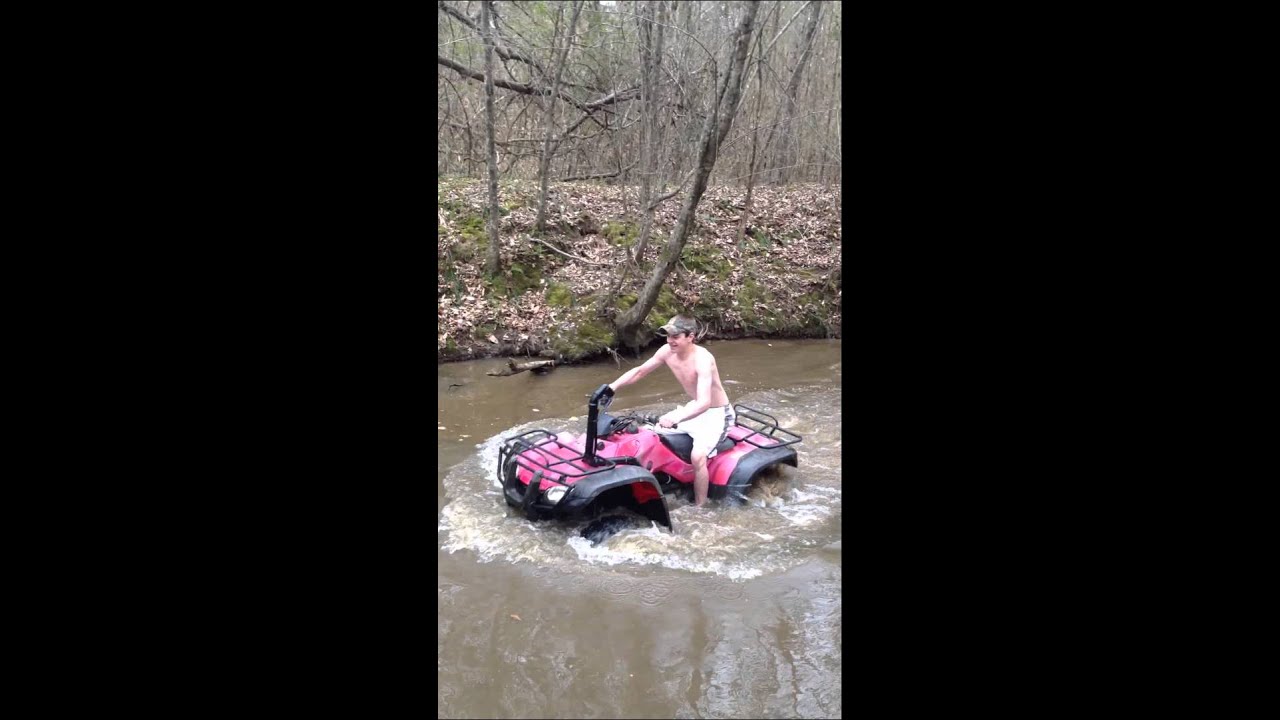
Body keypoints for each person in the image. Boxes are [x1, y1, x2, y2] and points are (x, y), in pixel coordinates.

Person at [606, 314, 734, 507]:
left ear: (690, 336)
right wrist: (611, 388)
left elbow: (705, 402)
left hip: (716, 414)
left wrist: (677, 418)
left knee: (697, 456)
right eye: (668, 336)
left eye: (675, 336)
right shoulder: (666, 351)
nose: (670, 341)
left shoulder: (703, 360)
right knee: (651, 433)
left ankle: (701, 506)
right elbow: (640, 371)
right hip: (694, 408)